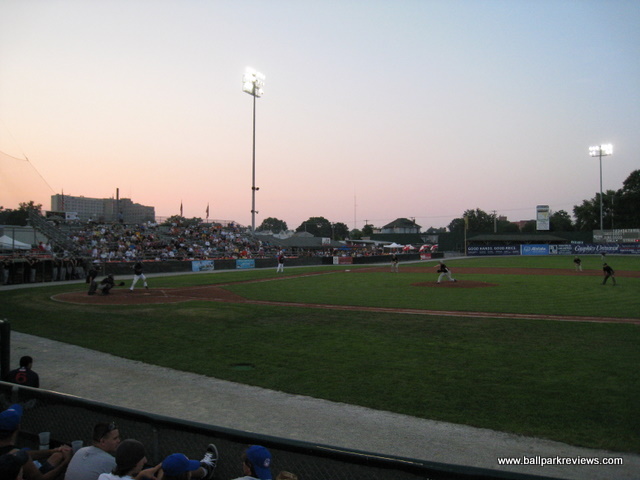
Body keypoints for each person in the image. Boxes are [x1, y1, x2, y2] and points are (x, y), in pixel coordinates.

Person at [0, 404, 72, 480]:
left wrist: (52, 451)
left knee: (57, 456)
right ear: (18, 427)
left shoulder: (14, 453)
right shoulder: (14, 458)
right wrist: (66, 463)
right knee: (57, 457)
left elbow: (23, 455)